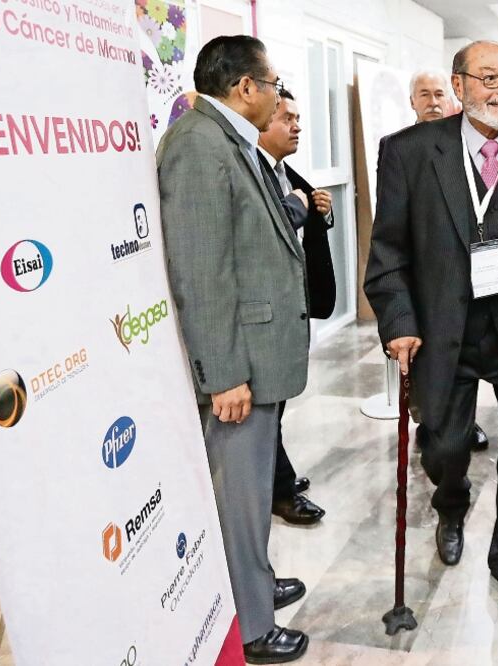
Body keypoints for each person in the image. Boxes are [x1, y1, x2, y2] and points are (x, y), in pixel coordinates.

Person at [365, 40, 498, 620]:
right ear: (459, 86)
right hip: (441, 328)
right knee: (445, 445)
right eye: (489, 77)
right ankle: (451, 501)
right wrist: (398, 322)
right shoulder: (407, 152)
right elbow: (388, 251)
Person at [157, 35, 310, 664]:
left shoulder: (225, 141)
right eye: (272, 83)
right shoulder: (198, 148)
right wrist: (223, 376)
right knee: (239, 495)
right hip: (236, 364)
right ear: (244, 87)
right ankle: (252, 625)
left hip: (257, 355)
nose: (277, 95)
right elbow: (201, 270)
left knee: (249, 493)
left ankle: (255, 582)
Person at [376, 69, 490, 453]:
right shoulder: (396, 147)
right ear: (412, 102)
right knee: (428, 358)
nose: (433, 101)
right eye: (423, 94)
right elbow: (390, 224)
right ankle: (429, 420)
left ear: (453, 97)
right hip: (422, 276)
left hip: (470, 275)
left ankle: (461, 420)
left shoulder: (472, 144)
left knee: (463, 354)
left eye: (439, 93)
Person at [256, 89, 332, 527]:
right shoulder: (255, 173)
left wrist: (320, 210)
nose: (297, 126)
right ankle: (279, 491)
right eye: (287, 118)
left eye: (299, 118)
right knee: (269, 410)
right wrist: (299, 210)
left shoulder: (288, 173)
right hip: (269, 313)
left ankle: (275, 474)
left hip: (294, 308)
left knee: (278, 406)